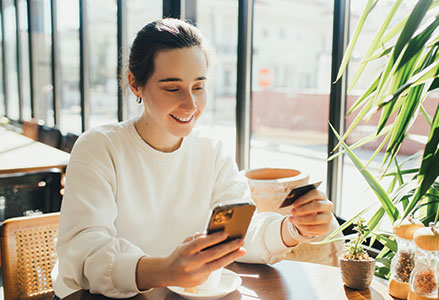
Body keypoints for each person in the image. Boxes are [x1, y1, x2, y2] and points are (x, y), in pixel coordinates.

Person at [52, 18, 337, 298]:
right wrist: (163, 269)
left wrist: (293, 229)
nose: (191, 104)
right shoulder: (100, 148)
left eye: (199, 87)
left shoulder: (211, 152)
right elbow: (86, 255)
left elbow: (236, 235)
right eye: (172, 88)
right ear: (135, 84)